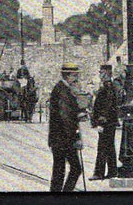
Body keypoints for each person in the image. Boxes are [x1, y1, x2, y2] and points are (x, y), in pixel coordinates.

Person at [48, 62, 83, 192]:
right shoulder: (63, 91)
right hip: (64, 139)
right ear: (68, 76)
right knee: (75, 169)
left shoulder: (62, 89)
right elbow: (66, 118)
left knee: (59, 171)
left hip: (59, 139)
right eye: (75, 76)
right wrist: (76, 138)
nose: (76, 79)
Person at [90, 64, 118, 180]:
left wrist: (101, 122)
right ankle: (112, 171)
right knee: (110, 147)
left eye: (101, 73)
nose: (100, 75)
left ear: (106, 73)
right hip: (110, 122)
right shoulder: (109, 86)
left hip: (106, 122)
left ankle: (99, 173)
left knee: (102, 147)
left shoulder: (107, 87)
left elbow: (107, 106)